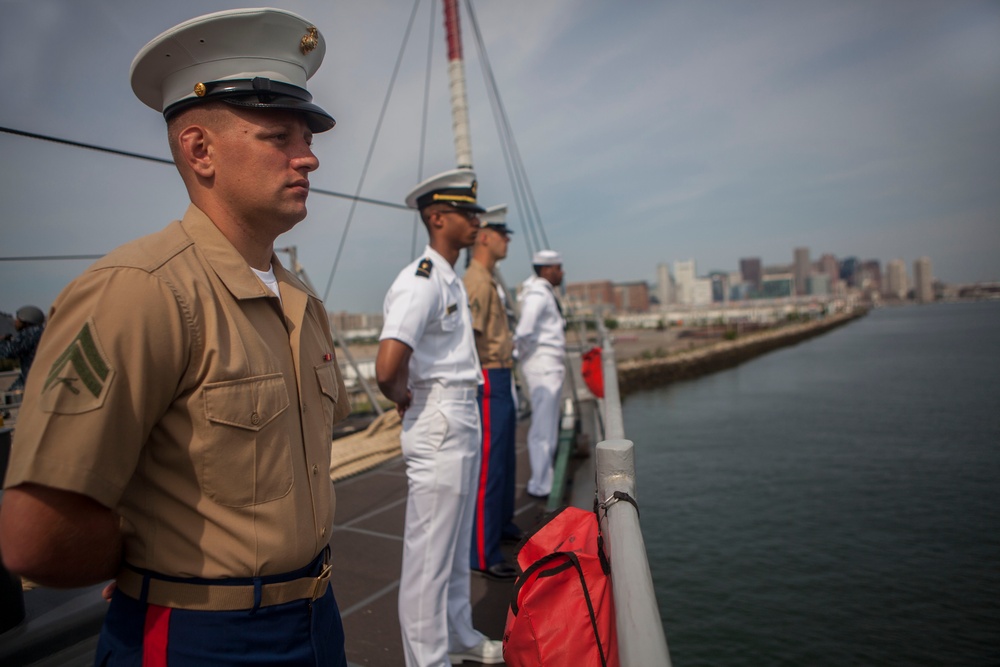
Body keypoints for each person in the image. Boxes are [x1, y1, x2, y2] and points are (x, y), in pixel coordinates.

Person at [0, 9, 352, 666]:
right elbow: (35, 535)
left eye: (305, 136)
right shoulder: (140, 291)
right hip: (198, 637)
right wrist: (147, 563)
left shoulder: (302, 301)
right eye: (279, 135)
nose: (308, 155)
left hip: (315, 619)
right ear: (199, 150)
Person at [376, 169, 504, 666]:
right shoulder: (421, 281)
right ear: (437, 218)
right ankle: (426, 661)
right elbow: (388, 365)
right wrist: (403, 393)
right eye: (466, 212)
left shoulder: (448, 277)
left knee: (451, 551)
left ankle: (458, 636)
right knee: (429, 560)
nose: (476, 220)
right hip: (439, 416)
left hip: (458, 414)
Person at [463, 205, 521, 580]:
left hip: (501, 376)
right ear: (484, 236)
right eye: (502, 234)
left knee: (503, 461)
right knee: (488, 467)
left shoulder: (489, 278)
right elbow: (470, 338)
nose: (507, 240)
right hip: (487, 376)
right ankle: (482, 553)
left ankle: (500, 526)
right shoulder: (478, 282)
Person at [514, 250, 567, 499]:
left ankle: (546, 476)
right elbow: (524, 331)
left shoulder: (543, 291)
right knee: (542, 428)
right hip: (542, 366)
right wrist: (523, 356)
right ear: (546, 269)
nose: (562, 272)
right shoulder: (538, 294)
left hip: (548, 365)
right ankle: (541, 484)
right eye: (558, 267)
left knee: (548, 426)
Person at [0, 305, 46, 392]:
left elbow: (9, 351)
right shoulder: (41, 331)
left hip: (32, 380)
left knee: (11, 398)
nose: (15, 322)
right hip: (38, 376)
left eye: (18, 319)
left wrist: (2, 342)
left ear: (26, 321)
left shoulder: (29, 334)